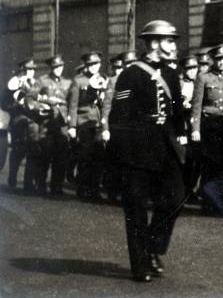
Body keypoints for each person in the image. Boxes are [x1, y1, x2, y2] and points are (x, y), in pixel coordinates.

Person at [108, 20, 187, 282]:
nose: (173, 45)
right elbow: (118, 118)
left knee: (175, 199)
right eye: (168, 40)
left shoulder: (172, 74)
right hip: (136, 152)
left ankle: (153, 246)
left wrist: (183, 136)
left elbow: (177, 112)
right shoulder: (131, 74)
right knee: (136, 209)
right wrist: (124, 157)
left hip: (165, 149)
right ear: (153, 42)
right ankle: (140, 265)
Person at [190, 44, 223, 216]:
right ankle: (208, 203)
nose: (221, 62)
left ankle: (221, 202)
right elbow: (196, 105)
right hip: (208, 126)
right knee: (209, 165)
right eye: (218, 59)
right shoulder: (203, 78)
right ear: (213, 60)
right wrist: (195, 128)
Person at [29, 55, 72, 197]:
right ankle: (41, 185)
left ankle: (56, 188)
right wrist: (39, 106)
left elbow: (71, 102)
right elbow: (30, 98)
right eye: (55, 67)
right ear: (51, 68)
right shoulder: (42, 81)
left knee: (61, 158)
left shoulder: (67, 82)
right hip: (47, 123)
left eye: (60, 66)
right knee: (44, 156)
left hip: (62, 124)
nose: (58, 69)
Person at [68, 52, 108, 201]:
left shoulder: (103, 79)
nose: (93, 67)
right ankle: (82, 189)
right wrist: (72, 125)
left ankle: (95, 191)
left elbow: (106, 104)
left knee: (98, 158)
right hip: (83, 122)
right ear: (86, 65)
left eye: (96, 64)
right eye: (90, 64)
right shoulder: (78, 81)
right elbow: (73, 105)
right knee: (85, 157)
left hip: (98, 123)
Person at [100, 51, 137, 203]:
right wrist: (105, 129)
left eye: (132, 63)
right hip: (118, 127)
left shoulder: (141, 80)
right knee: (116, 162)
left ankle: (129, 193)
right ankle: (112, 192)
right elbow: (106, 106)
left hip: (135, 128)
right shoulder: (115, 80)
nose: (130, 66)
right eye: (127, 64)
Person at [4, 59, 37, 190]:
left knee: (32, 150)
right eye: (29, 69)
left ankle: (28, 182)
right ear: (23, 70)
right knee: (18, 150)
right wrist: (18, 105)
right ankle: (12, 178)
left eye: (33, 69)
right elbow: (6, 102)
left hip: (32, 120)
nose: (32, 71)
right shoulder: (14, 82)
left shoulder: (34, 82)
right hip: (19, 119)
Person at [179, 55, 201, 201]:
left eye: (194, 68)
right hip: (184, 124)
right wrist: (184, 104)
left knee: (197, 159)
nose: (192, 71)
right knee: (185, 158)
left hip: (197, 125)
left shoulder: (200, 82)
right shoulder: (179, 83)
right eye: (189, 68)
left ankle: (192, 189)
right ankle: (184, 189)